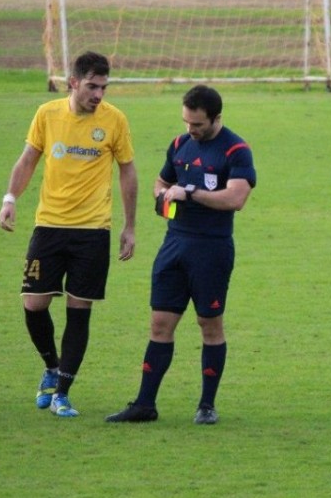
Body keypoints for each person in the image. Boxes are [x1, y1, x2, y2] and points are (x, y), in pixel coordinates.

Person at [0, 51, 138, 418]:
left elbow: (127, 171)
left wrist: (129, 226)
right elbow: (28, 160)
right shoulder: (47, 114)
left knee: (79, 309)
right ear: (73, 82)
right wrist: (10, 199)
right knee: (34, 304)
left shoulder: (115, 120)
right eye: (92, 86)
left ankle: (62, 392)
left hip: (93, 231)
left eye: (104, 87)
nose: (98, 95)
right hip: (49, 226)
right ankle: (51, 365)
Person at [106, 85, 256, 425]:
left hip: (212, 249)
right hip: (174, 245)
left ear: (216, 118)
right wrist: (163, 196)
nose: (191, 129)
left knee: (209, 325)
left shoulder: (236, 150)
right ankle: (145, 404)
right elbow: (161, 182)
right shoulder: (179, 144)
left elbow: (236, 199)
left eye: (198, 124)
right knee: (160, 324)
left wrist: (189, 192)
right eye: (187, 122)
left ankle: (206, 406)